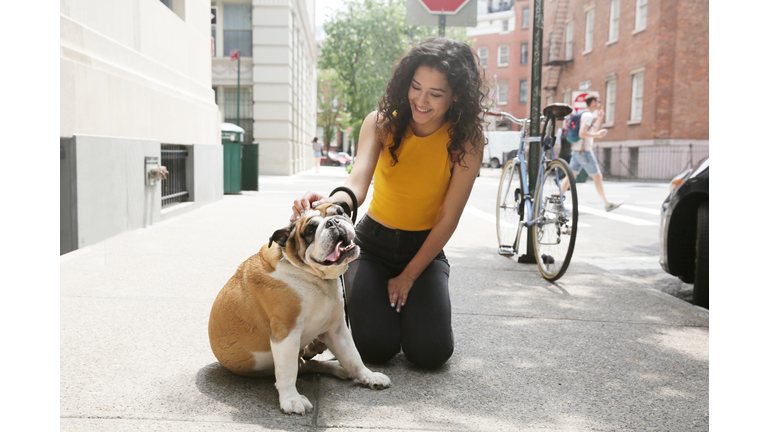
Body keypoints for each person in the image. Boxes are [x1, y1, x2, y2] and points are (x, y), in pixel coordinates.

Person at [290, 38, 488, 370]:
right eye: (416, 87)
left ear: (456, 96)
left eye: (435, 94)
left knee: (430, 353)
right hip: (372, 245)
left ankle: (405, 311)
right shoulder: (381, 121)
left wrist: (409, 277)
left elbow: (448, 219)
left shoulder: (467, 140)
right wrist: (328, 204)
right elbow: (357, 184)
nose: (421, 101)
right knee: (374, 349)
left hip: (424, 250)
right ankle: (367, 310)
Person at [559, 96, 622, 212]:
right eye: (598, 101)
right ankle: (607, 204)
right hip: (584, 152)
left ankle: (558, 202)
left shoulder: (585, 115)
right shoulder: (588, 116)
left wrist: (600, 118)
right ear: (593, 102)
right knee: (597, 176)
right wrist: (597, 135)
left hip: (577, 150)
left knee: (570, 177)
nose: (599, 103)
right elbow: (582, 133)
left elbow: (591, 130)